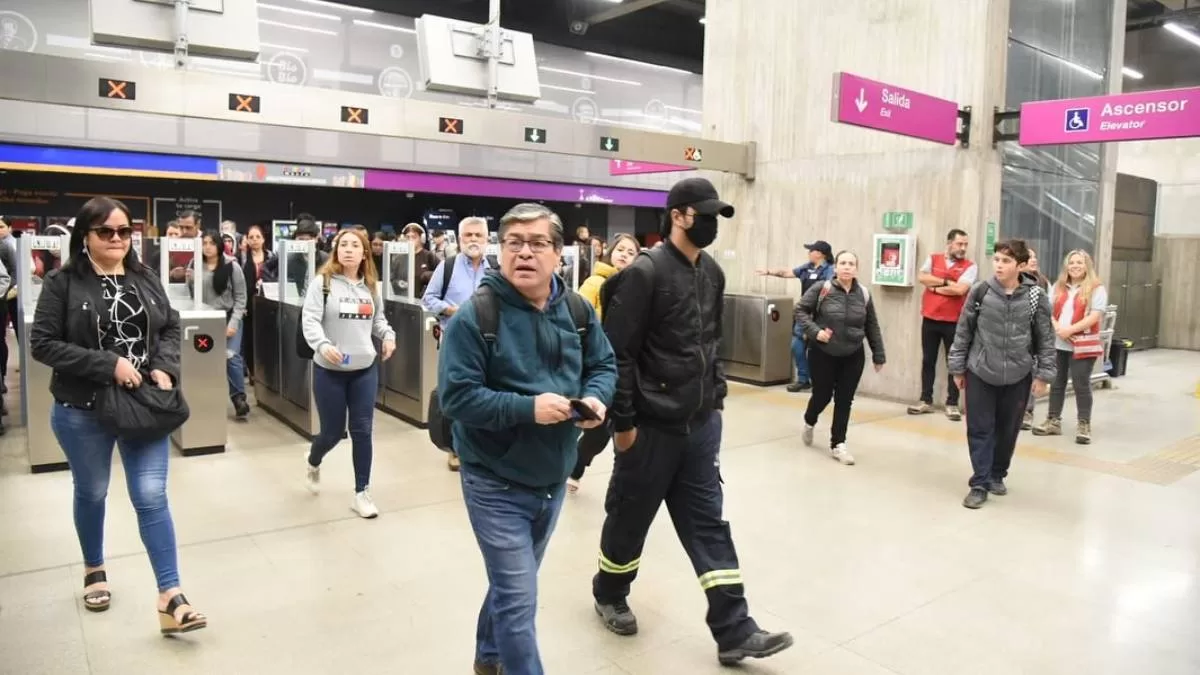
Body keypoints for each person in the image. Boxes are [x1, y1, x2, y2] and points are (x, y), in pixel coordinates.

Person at [594, 177, 793, 665]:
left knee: (708, 525)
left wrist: (717, 401)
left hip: (700, 427)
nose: (710, 224)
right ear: (678, 214)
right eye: (703, 214)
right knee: (630, 518)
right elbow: (616, 355)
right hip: (649, 428)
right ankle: (609, 591)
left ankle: (734, 630)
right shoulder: (644, 273)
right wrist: (623, 426)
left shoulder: (713, 274)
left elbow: (712, 345)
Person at [438, 203, 616, 675]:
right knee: (520, 601)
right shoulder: (476, 317)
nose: (524, 253)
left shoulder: (577, 309)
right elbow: (457, 399)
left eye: (538, 243)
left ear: (559, 253)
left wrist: (596, 399)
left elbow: (603, 365)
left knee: (511, 584)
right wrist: (527, 409)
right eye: (513, 243)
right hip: (494, 480)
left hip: (552, 477)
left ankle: (487, 656)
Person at [29, 196, 206, 634]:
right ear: (85, 236)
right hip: (82, 409)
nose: (116, 239)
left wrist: (165, 366)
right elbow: (43, 343)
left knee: (151, 496)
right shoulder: (62, 282)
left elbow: (168, 324)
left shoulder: (144, 277)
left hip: (144, 405)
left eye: (124, 231)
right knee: (92, 491)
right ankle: (94, 567)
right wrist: (109, 364)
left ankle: (171, 595)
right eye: (105, 232)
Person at [948, 239, 1055, 509]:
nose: (999, 265)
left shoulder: (1035, 296)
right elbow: (963, 332)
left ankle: (997, 473)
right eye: (996, 259)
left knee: (1008, 431)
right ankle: (980, 482)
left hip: (1019, 374)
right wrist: (957, 368)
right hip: (980, 371)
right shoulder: (980, 292)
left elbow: (1045, 337)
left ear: (1020, 265)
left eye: (1006, 261)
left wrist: (1044, 374)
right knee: (980, 429)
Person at [302, 228, 396, 519]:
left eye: (355, 245)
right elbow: (310, 320)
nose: (349, 249)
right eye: (344, 244)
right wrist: (322, 344)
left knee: (362, 430)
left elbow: (377, 319)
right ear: (336, 250)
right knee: (332, 432)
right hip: (329, 369)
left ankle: (361, 492)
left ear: (364, 252)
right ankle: (314, 458)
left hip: (364, 369)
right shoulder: (323, 283)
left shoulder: (370, 285)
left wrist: (388, 335)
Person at [795, 250, 886, 465]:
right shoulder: (822, 288)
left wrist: (878, 353)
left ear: (857, 268)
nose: (847, 267)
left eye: (851, 263)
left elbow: (871, 324)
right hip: (823, 353)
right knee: (822, 396)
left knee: (845, 399)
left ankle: (838, 443)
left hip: (853, 353)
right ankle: (810, 420)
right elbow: (800, 310)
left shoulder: (863, 293)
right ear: (835, 267)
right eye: (843, 263)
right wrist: (816, 332)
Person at [568, 232, 640, 492]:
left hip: (625, 368)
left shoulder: (638, 288)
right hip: (594, 366)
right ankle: (570, 468)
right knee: (588, 426)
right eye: (620, 249)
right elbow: (577, 321)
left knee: (607, 429)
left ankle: (576, 470)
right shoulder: (595, 283)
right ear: (610, 251)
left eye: (631, 252)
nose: (624, 255)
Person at [422, 216, 492, 472]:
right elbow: (428, 299)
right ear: (460, 239)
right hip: (454, 340)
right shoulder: (447, 266)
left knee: (484, 392)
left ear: (487, 239)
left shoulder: (494, 268)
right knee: (454, 392)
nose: (473, 240)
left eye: (478, 235)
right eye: (468, 235)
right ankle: (453, 448)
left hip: (488, 343)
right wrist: (453, 310)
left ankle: (479, 445)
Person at [1031, 250, 1107, 445]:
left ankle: (1084, 424)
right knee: (1056, 383)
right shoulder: (1058, 286)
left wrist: (1070, 330)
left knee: (1081, 383)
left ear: (1087, 265)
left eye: (1079, 262)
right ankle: (1053, 420)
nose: (1075, 266)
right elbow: (1047, 309)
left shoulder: (1097, 288)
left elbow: (1094, 316)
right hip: (1058, 343)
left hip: (1082, 345)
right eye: (1071, 262)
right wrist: (1057, 328)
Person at [908, 229, 978, 421]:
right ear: (949, 243)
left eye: (965, 244)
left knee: (954, 362)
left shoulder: (970, 266)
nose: (963, 248)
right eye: (959, 244)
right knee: (928, 360)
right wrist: (947, 282)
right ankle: (925, 400)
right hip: (930, 318)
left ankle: (952, 403)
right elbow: (922, 277)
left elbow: (961, 289)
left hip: (954, 321)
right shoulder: (933, 258)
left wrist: (934, 287)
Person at [755, 240, 835, 392]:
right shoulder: (807, 267)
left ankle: (824, 382)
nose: (808, 252)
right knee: (797, 345)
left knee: (819, 349)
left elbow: (829, 290)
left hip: (821, 314)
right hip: (804, 312)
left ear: (819, 253)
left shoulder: (830, 270)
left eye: (811, 250)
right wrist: (768, 271)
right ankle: (804, 379)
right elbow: (788, 272)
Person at [190, 231, 250, 418]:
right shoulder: (195, 264)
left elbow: (241, 298)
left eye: (211, 243)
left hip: (228, 317)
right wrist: (189, 279)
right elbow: (192, 294)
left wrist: (233, 323)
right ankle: (204, 399)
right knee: (204, 360)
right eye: (204, 242)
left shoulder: (232, 266)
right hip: (203, 319)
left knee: (231, 357)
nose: (207, 246)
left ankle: (238, 398)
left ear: (219, 245)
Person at [237, 224, 275, 380]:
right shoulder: (241, 259)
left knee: (267, 339)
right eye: (251, 237)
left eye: (257, 237)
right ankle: (253, 372)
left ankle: (267, 372)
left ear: (263, 239)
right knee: (250, 339)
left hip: (268, 303)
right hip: (248, 305)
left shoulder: (272, 257)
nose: (254, 240)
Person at [1020, 247, 1051, 430]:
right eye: (1029, 257)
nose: (1033, 260)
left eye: (1035, 257)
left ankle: (1028, 411)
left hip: (1033, 338)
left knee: (1032, 372)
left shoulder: (1042, 283)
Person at [397, 223, 440, 297]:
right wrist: (398, 282)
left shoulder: (429, 256)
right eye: (408, 237)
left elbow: (441, 275)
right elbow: (392, 278)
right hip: (403, 300)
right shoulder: (399, 258)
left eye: (414, 237)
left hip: (423, 301)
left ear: (421, 238)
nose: (410, 240)